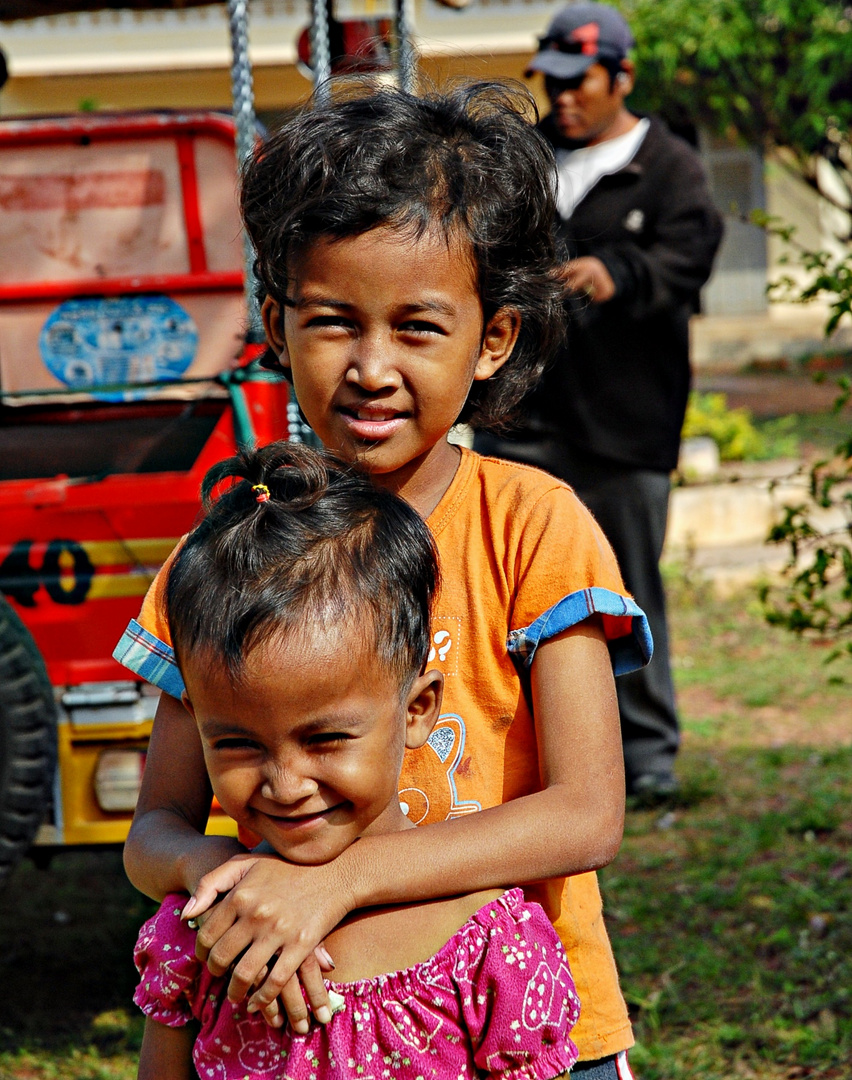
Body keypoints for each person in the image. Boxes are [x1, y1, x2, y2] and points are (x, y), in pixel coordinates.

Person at [115, 81, 652, 1078]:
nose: (371, 366)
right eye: (332, 321)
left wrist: (340, 882)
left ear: (493, 338)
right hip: (287, 1035)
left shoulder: (531, 527)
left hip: (529, 1032)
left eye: (416, 326)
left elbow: (589, 814)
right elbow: (154, 829)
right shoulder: (226, 557)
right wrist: (222, 877)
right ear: (276, 324)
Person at [133, 441, 582, 1080]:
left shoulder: (493, 951)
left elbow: (590, 812)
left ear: (419, 710)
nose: (285, 785)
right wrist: (216, 875)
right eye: (237, 744)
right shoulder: (199, 938)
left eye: (326, 740)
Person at [476, 3, 724, 802]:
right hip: (524, 423)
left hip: (627, 428)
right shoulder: (531, 160)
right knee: (516, 599)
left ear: (622, 76)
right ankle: (525, 761)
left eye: (577, 82)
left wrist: (615, 273)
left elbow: (689, 257)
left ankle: (648, 756)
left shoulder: (672, 167)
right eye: (549, 84)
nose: (563, 99)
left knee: (627, 594)